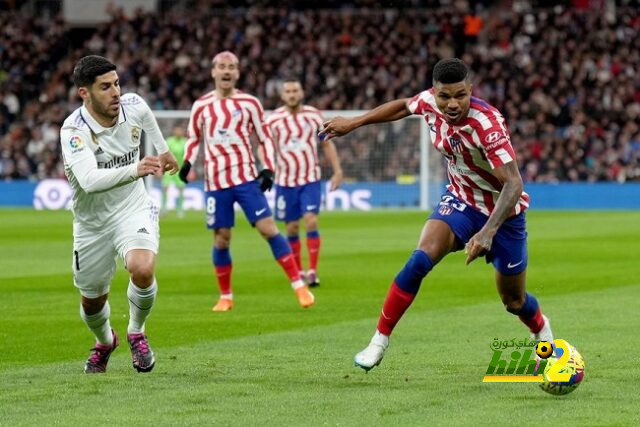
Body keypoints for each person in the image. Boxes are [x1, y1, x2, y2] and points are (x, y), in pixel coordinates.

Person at [320, 58, 555, 372]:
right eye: (445, 96)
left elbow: (514, 183)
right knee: (420, 258)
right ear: (435, 92)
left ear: (470, 89)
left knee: (513, 301)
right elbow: (403, 106)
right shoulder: (429, 102)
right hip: (461, 201)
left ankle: (541, 329)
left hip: (504, 214)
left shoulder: (487, 124)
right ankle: (378, 340)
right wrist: (353, 123)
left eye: (461, 95)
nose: (453, 103)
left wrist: (487, 232)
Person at [59, 55, 179, 373]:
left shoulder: (132, 105)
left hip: (132, 208)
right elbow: (89, 181)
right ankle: (104, 341)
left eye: (116, 83)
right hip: (92, 223)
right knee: (92, 301)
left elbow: (146, 115)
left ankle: (136, 332)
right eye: (105, 87)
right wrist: (136, 168)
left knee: (142, 268)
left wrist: (163, 149)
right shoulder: (74, 131)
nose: (115, 92)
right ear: (84, 93)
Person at [179, 51, 314, 311]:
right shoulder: (201, 106)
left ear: (238, 73)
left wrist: (268, 169)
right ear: (213, 72)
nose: (226, 71)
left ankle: (299, 285)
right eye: (221, 67)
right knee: (221, 239)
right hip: (216, 182)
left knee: (268, 228)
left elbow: (264, 139)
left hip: (245, 178)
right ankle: (225, 296)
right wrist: (187, 161)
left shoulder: (250, 103)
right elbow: (194, 137)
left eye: (231, 67)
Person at [266, 78, 343, 287]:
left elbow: (327, 145)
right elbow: (265, 147)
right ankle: (299, 272)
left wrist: (337, 171)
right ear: (282, 96)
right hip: (284, 182)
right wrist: (267, 168)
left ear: (301, 93)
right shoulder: (273, 120)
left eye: (295, 90)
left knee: (311, 221)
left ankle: (312, 272)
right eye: (288, 91)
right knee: (291, 228)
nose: (292, 94)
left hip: (309, 179)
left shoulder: (313, 116)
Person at [161, 124, 187, 218]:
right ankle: (164, 209)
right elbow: (164, 154)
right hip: (169, 168)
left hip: (180, 169)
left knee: (181, 189)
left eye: (180, 130)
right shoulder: (169, 141)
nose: (179, 132)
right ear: (174, 131)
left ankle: (180, 210)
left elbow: (187, 157)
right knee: (165, 187)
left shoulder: (185, 142)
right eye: (177, 130)